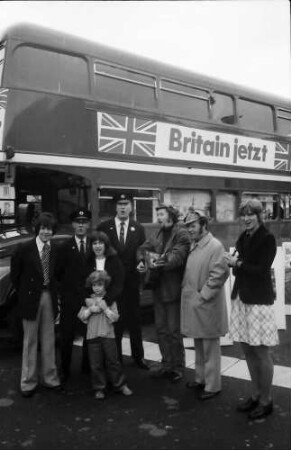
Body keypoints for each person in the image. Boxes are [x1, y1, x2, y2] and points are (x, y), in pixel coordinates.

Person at [223, 198, 278, 420]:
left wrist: (237, 264)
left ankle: (267, 400)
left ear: (259, 215)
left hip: (258, 301)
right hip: (242, 298)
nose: (246, 218)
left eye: (250, 214)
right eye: (243, 215)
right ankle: (255, 394)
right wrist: (234, 264)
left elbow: (261, 270)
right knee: (247, 350)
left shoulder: (267, 238)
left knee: (261, 352)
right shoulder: (243, 236)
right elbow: (240, 269)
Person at [10, 212, 62, 397]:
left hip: (49, 296)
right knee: (30, 341)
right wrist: (25, 293)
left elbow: (57, 275)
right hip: (31, 297)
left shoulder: (55, 249)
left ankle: (50, 378)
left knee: (49, 340)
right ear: (37, 229)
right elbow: (15, 276)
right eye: (43, 228)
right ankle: (28, 382)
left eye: (50, 228)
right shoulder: (24, 248)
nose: (46, 232)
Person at [137, 204, 190, 382]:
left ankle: (178, 366)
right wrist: (142, 261)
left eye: (161, 214)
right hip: (158, 287)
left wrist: (159, 260)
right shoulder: (158, 233)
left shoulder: (181, 233)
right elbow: (142, 249)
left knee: (174, 330)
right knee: (160, 329)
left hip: (173, 289)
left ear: (171, 215)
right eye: (157, 214)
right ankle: (166, 364)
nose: (158, 218)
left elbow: (177, 258)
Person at [181, 211, 229, 400]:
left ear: (203, 225)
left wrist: (202, 296)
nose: (190, 230)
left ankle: (213, 386)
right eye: (188, 226)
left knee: (210, 347)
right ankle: (201, 379)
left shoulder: (214, 245)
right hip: (197, 304)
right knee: (199, 344)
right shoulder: (196, 244)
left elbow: (219, 275)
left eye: (193, 226)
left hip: (206, 305)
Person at [97, 193, 148, 370]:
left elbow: (142, 253)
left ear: (131, 207)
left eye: (126, 203)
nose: (123, 207)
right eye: (120, 204)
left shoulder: (138, 228)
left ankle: (138, 357)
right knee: (114, 321)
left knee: (135, 320)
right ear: (115, 207)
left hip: (132, 282)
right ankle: (115, 357)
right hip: (112, 283)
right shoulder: (104, 227)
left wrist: (142, 266)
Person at [78, 270, 133, 400]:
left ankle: (120, 384)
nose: (97, 288)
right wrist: (90, 310)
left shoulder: (110, 300)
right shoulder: (88, 301)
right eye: (94, 285)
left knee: (113, 362)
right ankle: (99, 387)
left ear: (105, 285)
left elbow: (115, 318)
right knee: (96, 364)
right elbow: (81, 316)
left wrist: (105, 309)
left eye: (100, 284)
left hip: (108, 336)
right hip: (92, 336)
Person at [55, 208, 92, 382]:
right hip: (70, 299)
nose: (81, 225)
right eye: (78, 222)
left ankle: (86, 368)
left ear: (88, 225)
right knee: (67, 336)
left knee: (88, 335)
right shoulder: (64, 247)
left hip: (89, 299)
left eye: (84, 222)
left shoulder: (95, 245)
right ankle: (65, 369)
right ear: (73, 224)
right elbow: (58, 274)